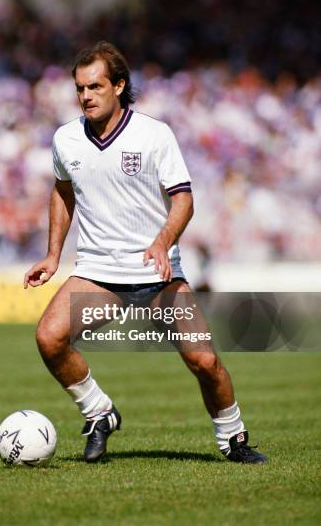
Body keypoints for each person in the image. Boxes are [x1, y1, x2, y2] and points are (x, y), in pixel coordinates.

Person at [24, 41, 267, 464]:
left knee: (205, 362)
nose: (86, 96)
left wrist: (161, 243)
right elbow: (63, 193)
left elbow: (184, 200)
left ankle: (234, 439)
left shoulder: (154, 134)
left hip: (159, 276)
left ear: (119, 85)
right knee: (49, 337)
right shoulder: (65, 139)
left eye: (95, 86)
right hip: (99, 273)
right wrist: (52, 254)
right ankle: (99, 412)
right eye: (80, 88)